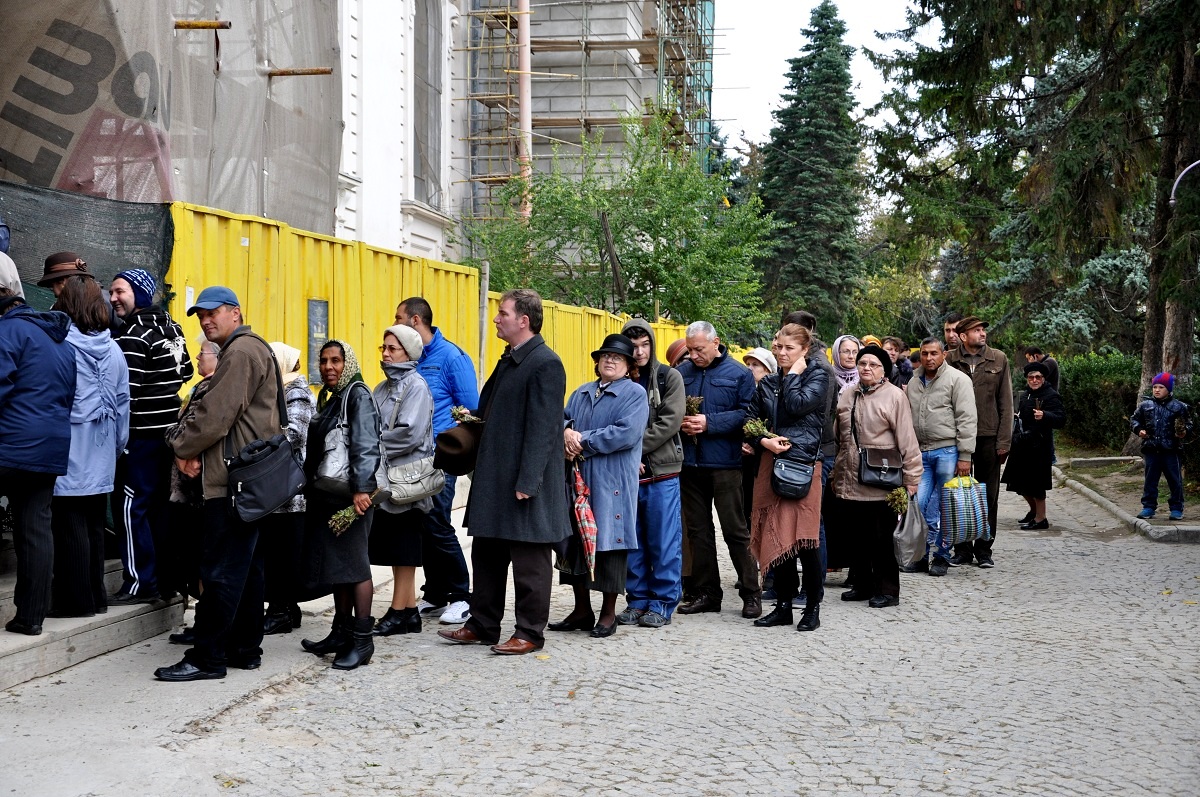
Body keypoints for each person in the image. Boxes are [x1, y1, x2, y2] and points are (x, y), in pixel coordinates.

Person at [154, 286, 281, 681]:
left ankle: (207, 658)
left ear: (235, 313)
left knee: (220, 571)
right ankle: (244, 649)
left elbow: (214, 415)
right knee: (246, 570)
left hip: (231, 481)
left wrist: (181, 447)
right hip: (248, 481)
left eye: (214, 313)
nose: (206, 321)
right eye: (201, 315)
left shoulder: (240, 352)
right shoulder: (250, 349)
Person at [437, 289, 567, 655]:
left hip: (523, 483)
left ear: (523, 321)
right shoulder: (510, 359)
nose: (496, 318)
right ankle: (482, 624)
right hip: (495, 478)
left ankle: (529, 632)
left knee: (530, 563)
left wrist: (528, 481)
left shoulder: (545, 363)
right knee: (487, 556)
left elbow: (544, 429)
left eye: (503, 313)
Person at [553, 334, 648, 638]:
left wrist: (582, 440)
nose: (609, 360)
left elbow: (626, 433)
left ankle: (608, 614)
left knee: (610, 543)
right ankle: (582, 609)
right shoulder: (581, 392)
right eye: (605, 356)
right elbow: (561, 420)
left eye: (617, 357)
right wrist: (566, 432)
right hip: (578, 478)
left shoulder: (634, 394)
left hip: (612, 481)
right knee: (575, 542)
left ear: (629, 365)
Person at [110, 267, 194, 604]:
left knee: (131, 508)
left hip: (140, 439)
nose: (113, 298)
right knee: (159, 509)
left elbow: (125, 394)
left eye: (121, 291)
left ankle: (138, 583)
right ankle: (161, 580)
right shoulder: (173, 327)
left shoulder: (132, 334)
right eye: (112, 292)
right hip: (168, 437)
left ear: (140, 294)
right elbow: (187, 370)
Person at [48, 277, 131, 618]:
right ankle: (96, 597)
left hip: (69, 449)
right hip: (103, 449)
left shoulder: (60, 346)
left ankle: (75, 601)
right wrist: (116, 448)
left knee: (69, 525)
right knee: (94, 525)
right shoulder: (115, 349)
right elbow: (123, 404)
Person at [393, 296, 477, 626]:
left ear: (415, 320)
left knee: (438, 522)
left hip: (440, 457)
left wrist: (454, 447)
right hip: (411, 458)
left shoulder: (451, 357)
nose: (394, 323)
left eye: (398, 317)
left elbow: (470, 408)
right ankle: (437, 592)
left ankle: (462, 595)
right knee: (422, 524)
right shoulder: (409, 357)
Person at [299, 340, 381, 670]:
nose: (329, 367)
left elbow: (366, 443)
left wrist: (361, 489)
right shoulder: (333, 397)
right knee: (339, 567)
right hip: (331, 496)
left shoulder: (358, 394)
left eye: (336, 360)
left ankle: (362, 641)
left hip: (352, 497)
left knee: (355, 566)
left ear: (349, 364)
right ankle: (341, 632)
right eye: (323, 361)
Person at [0, 287, 76, 635]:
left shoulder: (8, 331)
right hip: (50, 448)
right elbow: (67, 398)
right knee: (35, 530)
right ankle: (31, 617)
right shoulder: (62, 344)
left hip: (10, 444)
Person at [746, 324, 830, 632]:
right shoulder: (768, 382)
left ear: (804, 350)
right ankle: (782, 605)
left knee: (805, 538)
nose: (781, 353)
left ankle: (812, 607)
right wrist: (763, 441)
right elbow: (749, 420)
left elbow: (796, 405)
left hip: (803, 465)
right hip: (771, 462)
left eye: (789, 348)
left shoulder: (819, 376)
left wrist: (793, 374)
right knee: (774, 533)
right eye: (778, 347)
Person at [676, 321, 761, 619]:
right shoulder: (681, 373)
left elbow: (747, 414)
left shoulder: (739, 374)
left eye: (699, 349)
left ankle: (751, 592)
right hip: (690, 464)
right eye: (690, 350)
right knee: (698, 532)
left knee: (735, 530)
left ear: (716, 343)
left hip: (725, 464)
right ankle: (707, 593)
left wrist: (708, 423)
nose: (694, 355)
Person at [831, 345, 922, 608]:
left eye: (873, 364)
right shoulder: (848, 394)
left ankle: (888, 590)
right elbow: (839, 437)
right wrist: (836, 471)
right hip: (850, 477)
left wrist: (911, 478)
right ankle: (862, 585)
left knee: (881, 538)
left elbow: (907, 439)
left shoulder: (895, 396)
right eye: (863, 363)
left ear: (884, 370)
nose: (866, 368)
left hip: (881, 478)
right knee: (856, 536)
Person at [616, 318, 685, 629]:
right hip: (628, 476)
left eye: (645, 345)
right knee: (632, 542)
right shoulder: (618, 379)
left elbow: (670, 421)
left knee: (664, 542)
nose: (640, 352)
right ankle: (637, 600)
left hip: (662, 473)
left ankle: (663, 602)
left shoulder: (669, 377)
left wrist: (634, 451)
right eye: (633, 346)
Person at [369, 324, 436, 637]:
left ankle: (399, 612)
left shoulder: (415, 386)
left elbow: (409, 434)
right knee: (397, 545)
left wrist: (371, 445)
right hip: (388, 478)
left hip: (407, 480)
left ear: (408, 353)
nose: (385, 353)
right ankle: (408, 612)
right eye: (383, 347)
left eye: (392, 349)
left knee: (404, 545)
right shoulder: (382, 388)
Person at [163, 337, 221, 647]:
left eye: (202, 353)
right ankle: (202, 623)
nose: (197, 357)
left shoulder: (210, 389)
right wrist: (178, 448)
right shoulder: (200, 388)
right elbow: (178, 432)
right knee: (196, 559)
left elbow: (185, 431)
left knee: (201, 560)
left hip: (198, 490)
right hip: (191, 489)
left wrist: (179, 446)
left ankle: (205, 626)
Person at [945, 315, 1012, 568]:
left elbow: (1006, 402)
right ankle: (962, 549)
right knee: (957, 494)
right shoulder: (950, 360)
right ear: (963, 336)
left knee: (988, 495)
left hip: (988, 436)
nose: (982, 333)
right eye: (977, 330)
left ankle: (984, 549)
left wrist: (1004, 441)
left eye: (984, 330)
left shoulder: (998, 359)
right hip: (957, 436)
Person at [906, 337, 977, 576]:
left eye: (934, 353)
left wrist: (965, 455)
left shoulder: (958, 380)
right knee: (919, 504)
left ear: (943, 354)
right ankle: (921, 555)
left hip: (947, 450)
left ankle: (942, 556)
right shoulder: (914, 381)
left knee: (947, 506)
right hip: (920, 452)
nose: (929, 358)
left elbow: (967, 418)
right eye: (925, 353)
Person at [260, 342, 316, 635]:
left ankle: (280, 610)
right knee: (280, 550)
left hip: (290, 488)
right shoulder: (280, 390)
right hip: (280, 487)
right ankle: (288, 609)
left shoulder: (296, 392)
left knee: (282, 552)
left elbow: (294, 435)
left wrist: (259, 440)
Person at [1002, 362, 1066, 529]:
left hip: (1040, 446)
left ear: (1043, 378)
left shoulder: (1051, 395)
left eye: (1038, 377)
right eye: (1031, 377)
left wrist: (1045, 415)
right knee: (1018, 482)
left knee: (1037, 484)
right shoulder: (1026, 395)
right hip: (1022, 444)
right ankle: (1033, 511)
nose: (1034, 380)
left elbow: (1061, 419)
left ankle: (1041, 519)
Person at [1131, 372, 1192, 521]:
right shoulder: (1145, 405)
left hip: (1171, 450)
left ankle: (1176, 508)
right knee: (1150, 480)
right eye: (1155, 387)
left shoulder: (1178, 406)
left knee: (1175, 480)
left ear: (1169, 389)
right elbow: (1134, 420)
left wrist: (1184, 431)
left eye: (1161, 387)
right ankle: (1148, 507)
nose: (1157, 390)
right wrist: (1139, 430)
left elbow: (1189, 423)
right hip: (1151, 448)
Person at [741, 347, 778, 529]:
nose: (750, 368)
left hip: (767, 457)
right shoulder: (742, 390)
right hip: (744, 459)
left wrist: (757, 443)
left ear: (768, 370)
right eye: (748, 364)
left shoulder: (774, 392)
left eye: (756, 365)